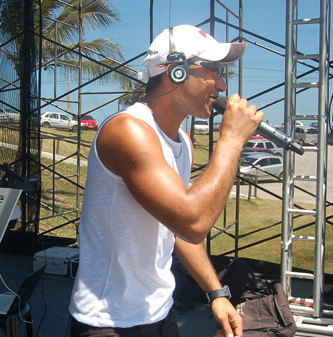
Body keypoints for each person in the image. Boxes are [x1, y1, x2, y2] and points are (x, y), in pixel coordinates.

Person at [69, 24, 264, 337]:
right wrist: (231, 141)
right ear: (176, 71)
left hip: (158, 312)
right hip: (110, 322)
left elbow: (177, 229)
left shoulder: (181, 142)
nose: (223, 85)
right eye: (213, 71)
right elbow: (193, 222)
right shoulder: (128, 131)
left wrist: (216, 292)